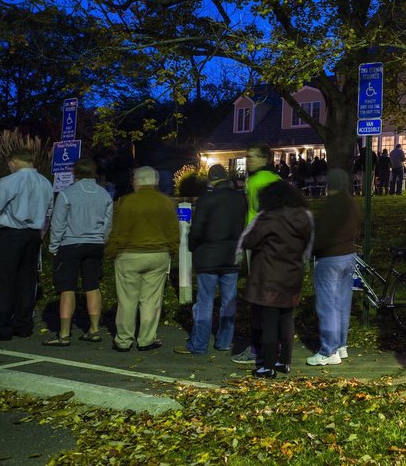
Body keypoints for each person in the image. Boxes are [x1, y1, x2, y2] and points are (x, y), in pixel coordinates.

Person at [238, 180, 313, 378]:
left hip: (270, 276)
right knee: (287, 318)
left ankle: (267, 365)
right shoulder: (303, 217)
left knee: (269, 321)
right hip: (292, 275)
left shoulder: (269, 218)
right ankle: (285, 361)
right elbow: (308, 244)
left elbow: (249, 240)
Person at [0, 149, 53, 341]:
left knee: (2, 282)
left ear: (14, 161)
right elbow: (48, 212)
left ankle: (0, 328)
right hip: (33, 235)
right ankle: (23, 325)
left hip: (11, 234)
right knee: (26, 281)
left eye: (10, 164)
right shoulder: (45, 182)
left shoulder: (10, 181)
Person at [175, 164, 246, 355]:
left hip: (208, 258)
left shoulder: (207, 199)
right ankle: (224, 341)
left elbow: (197, 230)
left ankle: (199, 344)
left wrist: (192, 246)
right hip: (231, 257)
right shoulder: (240, 200)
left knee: (205, 302)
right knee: (228, 302)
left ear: (211, 179)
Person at [107, 167, 179, 352]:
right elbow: (173, 231)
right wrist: (172, 249)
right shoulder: (166, 202)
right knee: (151, 300)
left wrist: (112, 251)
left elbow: (119, 231)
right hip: (158, 254)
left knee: (127, 300)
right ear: (154, 181)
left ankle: (123, 340)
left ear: (138, 181)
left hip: (129, 255)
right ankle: (146, 339)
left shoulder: (126, 201)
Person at [44, 158, 113, 346]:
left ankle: (64, 334)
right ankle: (94, 329)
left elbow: (58, 223)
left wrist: (53, 246)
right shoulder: (104, 195)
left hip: (70, 245)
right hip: (95, 244)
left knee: (68, 288)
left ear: (75, 173)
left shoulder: (67, 194)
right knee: (92, 286)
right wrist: (101, 240)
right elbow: (108, 224)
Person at [231, 143, 282, 365]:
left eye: (252, 156)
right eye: (247, 155)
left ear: (264, 158)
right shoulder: (276, 181)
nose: (248, 159)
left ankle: (259, 348)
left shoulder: (258, 182)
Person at [308, 168, 362, 366]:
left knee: (327, 305)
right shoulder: (352, 203)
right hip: (348, 256)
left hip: (330, 257)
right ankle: (341, 346)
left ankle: (328, 351)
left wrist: (311, 249)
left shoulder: (332, 204)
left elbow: (323, 233)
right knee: (341, 303)